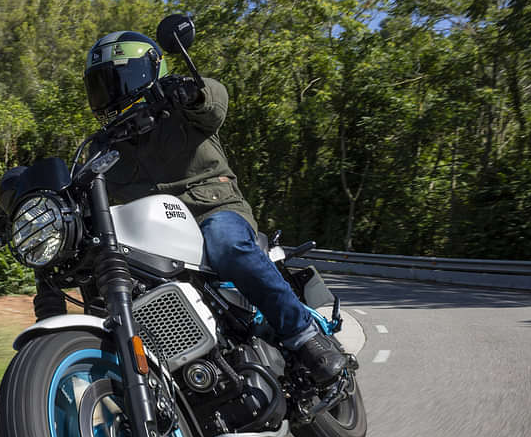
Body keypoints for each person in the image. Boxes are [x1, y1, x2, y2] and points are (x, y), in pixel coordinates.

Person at [36, 30, 345, 385]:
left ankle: (303, 336)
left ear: (153, 72)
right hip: (157, 232)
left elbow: (214, 101)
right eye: (104, 84)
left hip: (212, 210)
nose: (115, 92)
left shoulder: (180, 108)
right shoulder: (102, 148)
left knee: (227, 245)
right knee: (90, 264)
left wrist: (189, 91)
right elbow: (84, 190)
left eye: (123, 78)